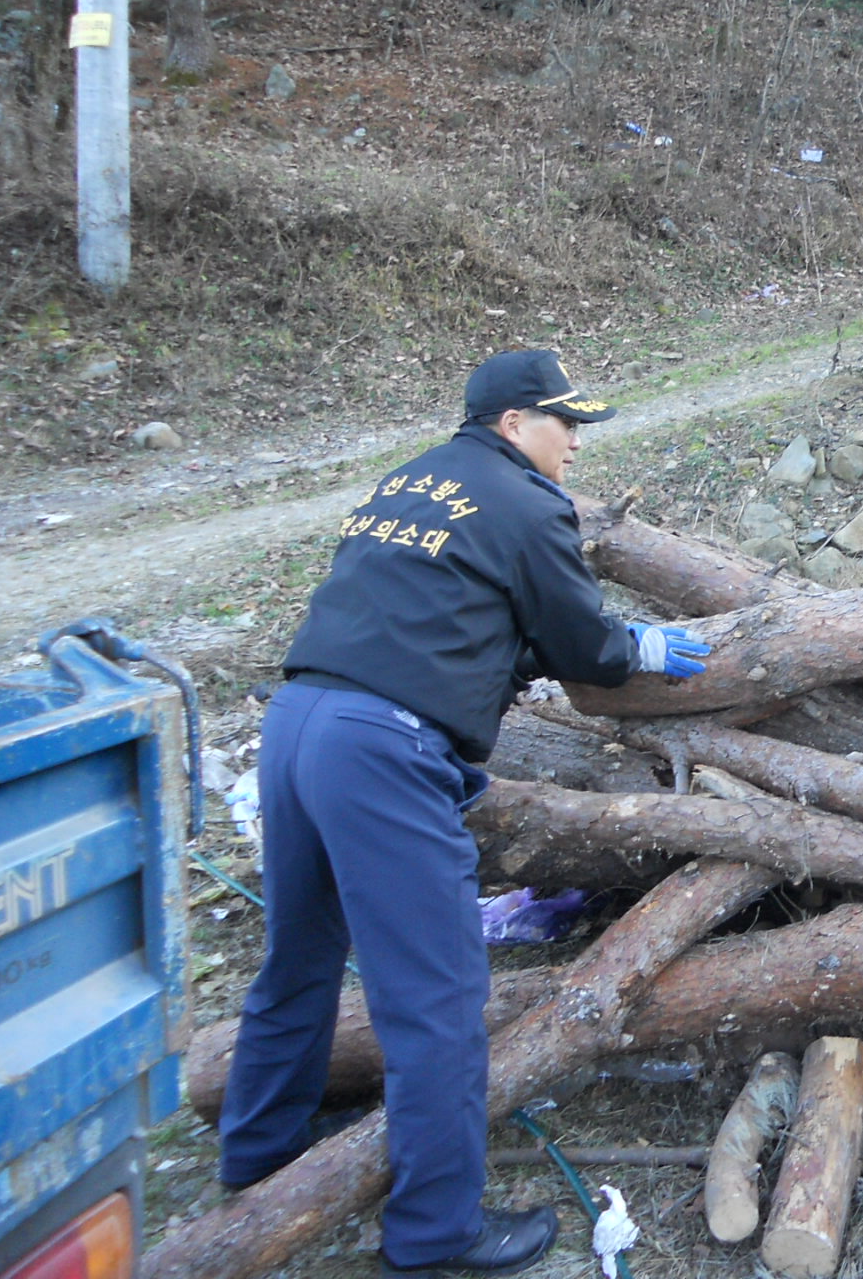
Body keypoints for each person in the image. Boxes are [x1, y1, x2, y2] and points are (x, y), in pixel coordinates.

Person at [218, 349, 710, 1276]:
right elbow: (579, 643)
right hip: (383, 752)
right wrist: (634, 646)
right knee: (438, 1001)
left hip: (296, 723)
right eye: (566, 423)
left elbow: (445, 618)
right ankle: (436, 1229)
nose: (576, 443)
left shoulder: (407, 482)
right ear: (514, 424)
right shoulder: (528, 501)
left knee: (300, 956)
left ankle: (258, 1151)